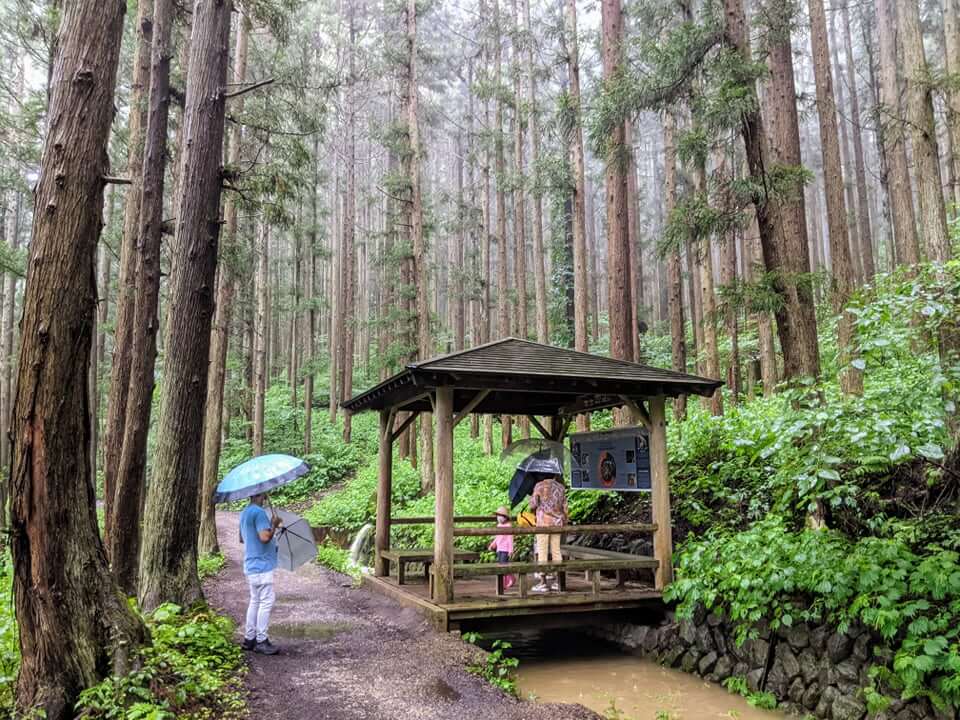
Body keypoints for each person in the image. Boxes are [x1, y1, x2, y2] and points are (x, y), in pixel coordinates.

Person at [240, 492, 282, 654]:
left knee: (255, 600)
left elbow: (242, 538)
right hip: (262, 565)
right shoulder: (259, 513)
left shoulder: (245, 512)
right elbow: (264, 537)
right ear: (261, 494)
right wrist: (273, 525)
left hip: (251, 564)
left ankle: (249, 639)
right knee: (266, 601)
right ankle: (261, 640)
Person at [529, 472, 568, 592]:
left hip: (543, 523)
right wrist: (565, 519)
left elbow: (533, 505)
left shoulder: (539, 486)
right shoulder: (561, 487)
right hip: (557, 523)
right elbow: (565, 506)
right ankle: (558, 582)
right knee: (556, 551)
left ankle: (543, 582)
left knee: (542, 552)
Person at [487, 506, 515, 591]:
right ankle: (510, 578)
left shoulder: (508, 526)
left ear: (505, 517)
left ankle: (505, 583)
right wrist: (493, 544)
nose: (499, 518)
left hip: (505, 549)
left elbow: (510, 539)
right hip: (499, 549)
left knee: (503, 565)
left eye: (501, 516)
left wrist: (511, 550)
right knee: (501, 565)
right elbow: (497, 537)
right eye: (497, 516)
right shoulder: (499, 525)